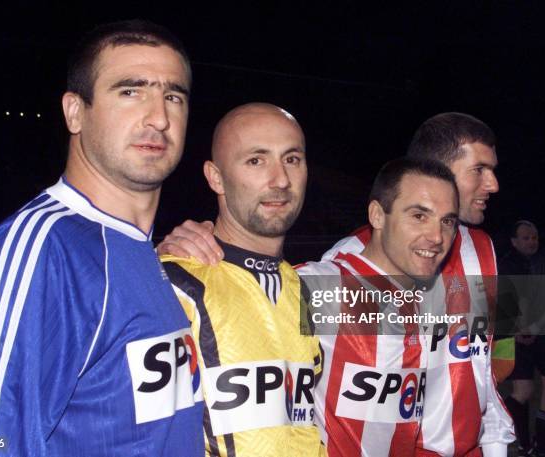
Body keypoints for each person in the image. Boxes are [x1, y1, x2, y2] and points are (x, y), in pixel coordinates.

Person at [159, 112, 515, 456]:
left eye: (447, 220)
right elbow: (248, 293)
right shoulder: (330, 280)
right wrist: (167, 258)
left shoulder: (483, 250)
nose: (493, 184)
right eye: (479, 170)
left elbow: (501, 347)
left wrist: (497, 443)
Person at [0, 20, 203, 456]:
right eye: (130, 91)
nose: (159, 117)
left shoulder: (146, 254)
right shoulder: (43, 249)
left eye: (173, 96)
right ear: (74, 111)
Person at [161, 103, 325, 456]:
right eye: (256, 160)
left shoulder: (303, 289)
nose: (280, 180)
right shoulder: (174, 284)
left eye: (292, 159)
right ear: (215, 177)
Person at [297, 157, 460, 456]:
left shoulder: (433, 298)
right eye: (419, 216)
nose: (437, 237)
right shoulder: (323, 287)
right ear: (377, 215)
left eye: (447, 221)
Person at [501, 220, 545, 457]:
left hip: (530, 334)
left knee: (529, 390)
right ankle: (522, 440)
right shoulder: (508, 264)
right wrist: (518, 329)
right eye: (526, 238)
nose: (532, 241)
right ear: (513, 241)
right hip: (511, 337)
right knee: (523, 391)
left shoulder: (537, 263)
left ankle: (528, 444)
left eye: (534, 238)